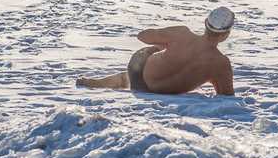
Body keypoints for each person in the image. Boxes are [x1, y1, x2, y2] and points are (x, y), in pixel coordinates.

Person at [76, 7, 235, 95]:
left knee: (148, 58)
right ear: (226, 34)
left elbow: (142, 36)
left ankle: (96, 83)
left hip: (137, 73)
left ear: (205, 23)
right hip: (159, 92)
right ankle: (100, 83)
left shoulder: (182, 34)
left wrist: (164, 42)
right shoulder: (221, 64)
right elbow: (226, 97)